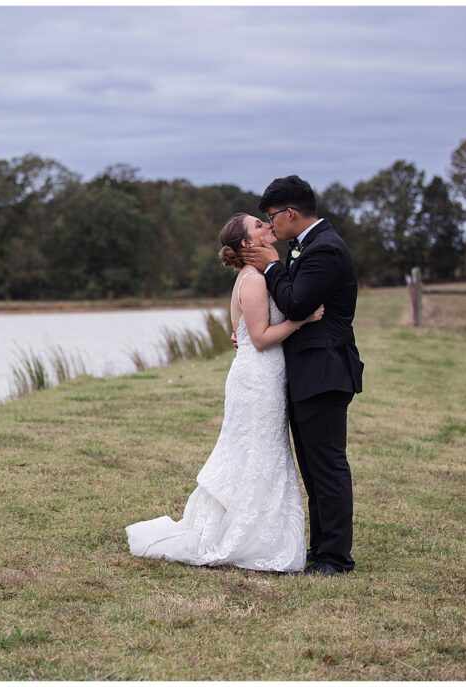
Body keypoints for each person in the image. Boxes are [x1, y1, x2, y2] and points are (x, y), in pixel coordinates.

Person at [125, 213, 323, 572]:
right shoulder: (252, 281)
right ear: (247, 244)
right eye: (259, 225)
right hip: (257, 378)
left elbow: (246, 331)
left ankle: (261, 532)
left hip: (265, 375)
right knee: (254, 452)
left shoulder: (263, 276)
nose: (268, 227)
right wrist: (300, 320)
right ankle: (240, 535)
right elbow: (260, 339)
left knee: (261, 451)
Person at [241, 175, 364, 576]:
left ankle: (335, 558)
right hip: (307, 372)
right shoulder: (306, 246)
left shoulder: (324, 250)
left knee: (327, 465)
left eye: (272, 217)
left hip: (324, 371)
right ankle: (320, 549)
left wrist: (275, 266)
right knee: (313, 467)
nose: (271, 226)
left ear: (291, 212)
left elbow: (295, 304)